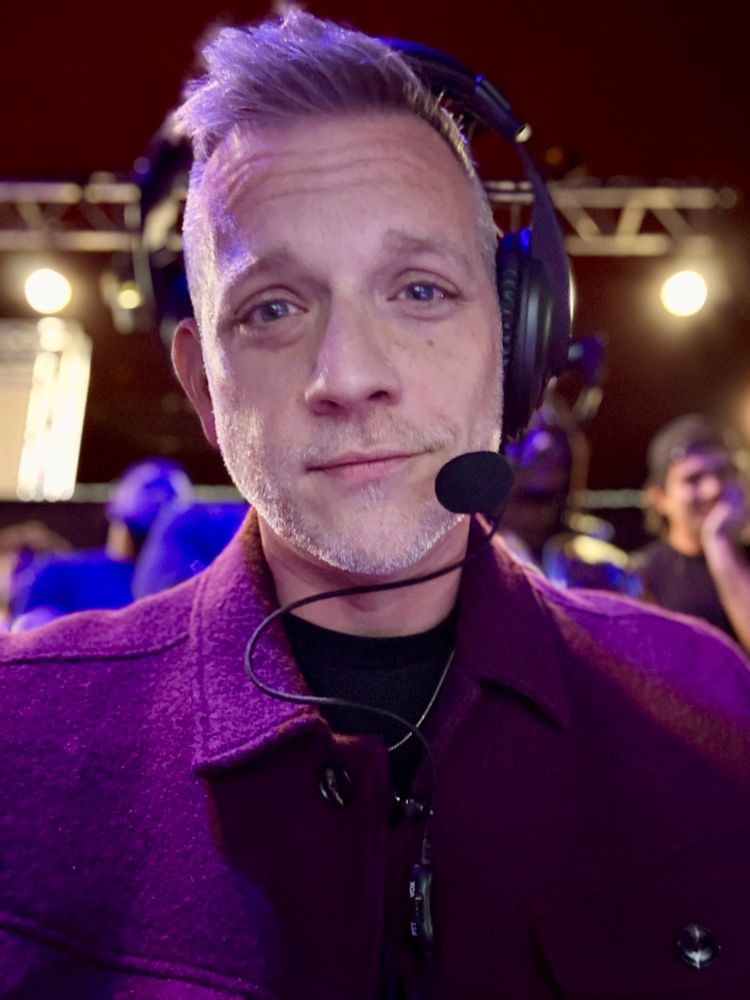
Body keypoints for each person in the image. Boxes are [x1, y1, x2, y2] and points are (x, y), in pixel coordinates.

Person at [2, 12, 750, 998]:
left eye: (421, 291)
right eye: (274, 308)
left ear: (518, 337)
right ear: (202, 385)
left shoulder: (705, 708)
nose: (350, 376)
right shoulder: (23, 738)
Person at [9, 457, 193, 628]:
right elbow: (31, 637)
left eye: (172, 495)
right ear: (114, 498)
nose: (159, 498)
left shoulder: (184, 589)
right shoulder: (59, 573)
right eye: (149, 487)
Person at [633, 412, 750, 652]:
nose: (713, 489)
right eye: (693, 479)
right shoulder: (641, 575)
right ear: (660, 498)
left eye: (724, 473)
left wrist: (720, 545)